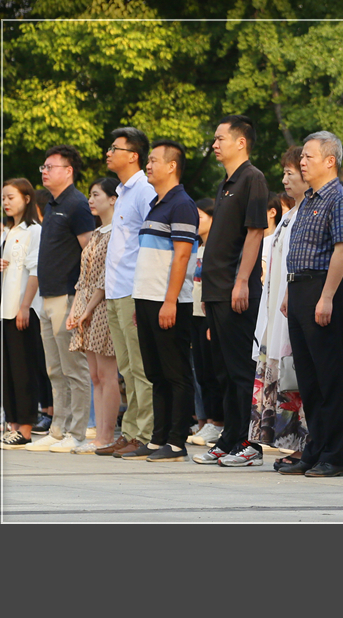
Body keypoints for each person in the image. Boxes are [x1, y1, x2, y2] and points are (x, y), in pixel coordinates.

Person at [278, 131, 343, 478]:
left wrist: (326, 296)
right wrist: (288, 290)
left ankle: (334, 455)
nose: (302, 162)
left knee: (329, 376)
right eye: (302, 157)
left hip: (323, 288)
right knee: (308, 377)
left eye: (308, 156)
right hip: (299, 288)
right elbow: (299, 250)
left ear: (330, 161)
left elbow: (342, 250)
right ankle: (314, 448)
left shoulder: (340, 199)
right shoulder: (308, 199)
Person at [198, 115, 269, 467]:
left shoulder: (252, 178)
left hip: (235, 289)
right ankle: (229, 438)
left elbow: (255, 232)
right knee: (223, 370)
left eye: (220, 138)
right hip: (216, 290)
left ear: (241, 142)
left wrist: (242, 281)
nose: (214, 144)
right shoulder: (226, 182)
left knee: (241, 369)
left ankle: (247, 442)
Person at [123, 140, 198, 462]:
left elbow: (182, 256)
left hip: (169, 301)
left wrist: (170, 301)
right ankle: (158, 439)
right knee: (155, 373)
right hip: (147, 298)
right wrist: (141, 302)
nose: (148, 166)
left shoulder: (182, 204)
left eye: (154, 160)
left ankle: (177, 442)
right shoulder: (156, 204)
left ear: (172, 166)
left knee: (175, 372)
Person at [26, 145, 95, 453]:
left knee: (74, 369)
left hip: (68, 296)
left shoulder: (78, 204)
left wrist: (81, 299)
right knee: (54, 369)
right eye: (43, 166)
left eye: (50, 166)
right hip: (48, 296)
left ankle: (77, 433)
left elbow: (89, 254)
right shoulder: (53, 205)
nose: (44, 171)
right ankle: (57, 430)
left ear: (68, 171)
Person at [96, 127, 157, 457]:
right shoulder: (122, 192)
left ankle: (144, 434)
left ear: (133, 155)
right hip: (115, 290)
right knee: (125, 368)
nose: (108, 153)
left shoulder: (144, 190)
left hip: (134, 290)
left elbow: (153, 241)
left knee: (140, 367)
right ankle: (130, 431)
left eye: (114, 148)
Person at [249, 146, 308, 467]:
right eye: (284, 172)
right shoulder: (288, 215)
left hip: (292, 306)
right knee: (281, 373)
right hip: (274, 305)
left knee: (295, 376)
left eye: (291, 172)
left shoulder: (307, 213)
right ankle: (288, 443)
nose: (285, 179)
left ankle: (304, 445)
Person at [65, 178, 121, 453]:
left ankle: (107, 436)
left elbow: (105, 278)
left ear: (113, 199)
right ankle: (99, 434)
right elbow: (84, 277)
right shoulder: (97, 233)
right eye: (89, 195)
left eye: (96, 194)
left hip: (104, 306)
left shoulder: (117, 233)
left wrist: (87, 309)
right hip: (87, 306)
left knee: (108, 375)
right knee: (95, 376)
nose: (90, 199)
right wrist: (77, 308)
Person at [0, 179, 42, 448]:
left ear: (27, 198)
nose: (6, 203)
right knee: (6, 370)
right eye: (3, 198)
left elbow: (35, 271)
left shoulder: (34, 231)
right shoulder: (8, 231)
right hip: (0, 310)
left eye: (11, 197)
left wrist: (24, 307)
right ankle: (12, 426)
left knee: (23, 370)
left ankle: (26, 429)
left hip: (20, 310)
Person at [188, 197, 225, 448]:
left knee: (213, 372)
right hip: (193, 315)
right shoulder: (195, 247)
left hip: (210, 316)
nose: (195, 221)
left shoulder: (218, 247)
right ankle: (207, 421)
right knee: (200, 372)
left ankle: (218, 422)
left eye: (200, 216)